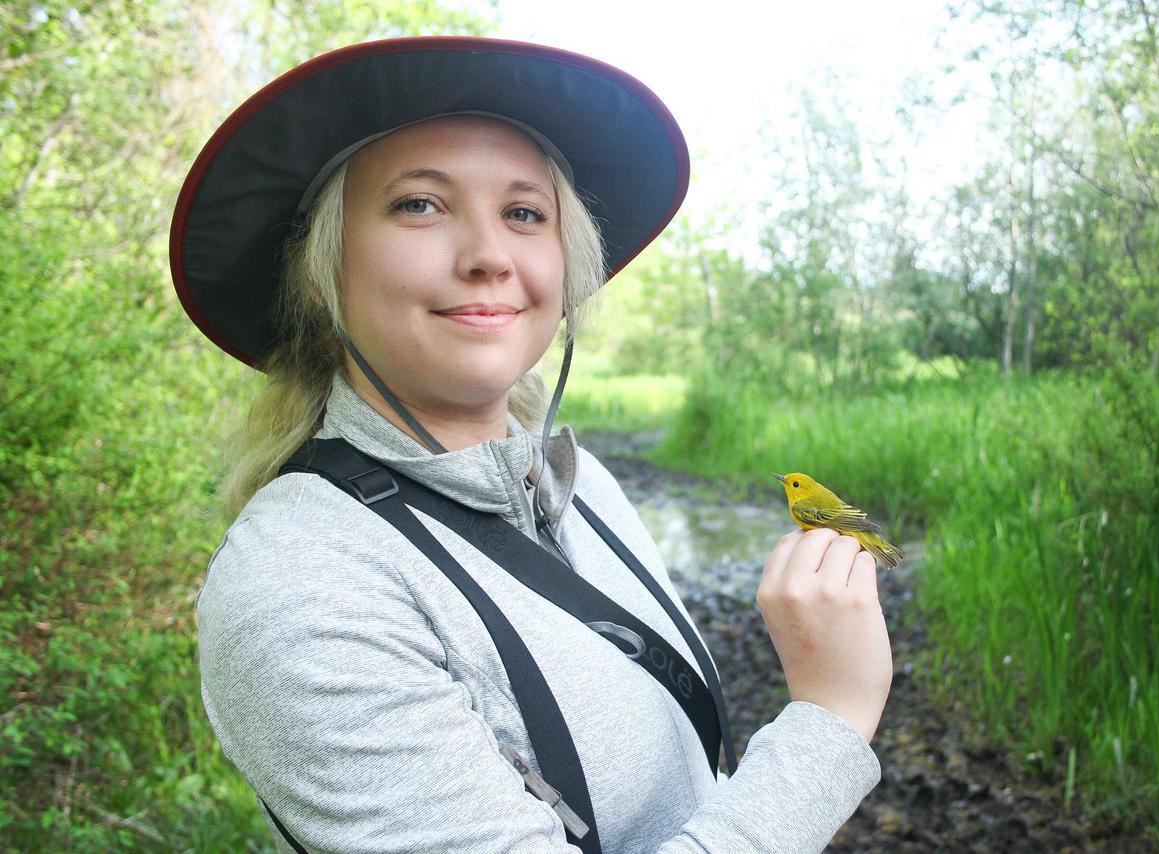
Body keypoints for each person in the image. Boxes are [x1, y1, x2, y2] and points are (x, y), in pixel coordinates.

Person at [173, 36, 893, 853]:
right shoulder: (303, 586)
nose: (488, 256)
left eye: (525, 213)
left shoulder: (581, 483)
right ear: (321, 267)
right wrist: (831, 716)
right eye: (419, 203)